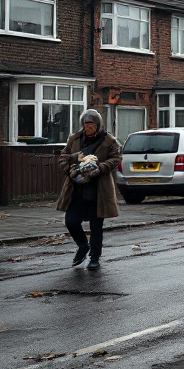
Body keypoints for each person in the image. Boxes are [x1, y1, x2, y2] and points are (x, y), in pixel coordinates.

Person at [56, 109, 122, 271]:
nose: (88, 127)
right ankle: (82, 246)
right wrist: (70, 169)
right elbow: (63, 157)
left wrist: (100, 168)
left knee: (96, 226)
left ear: (98, 124)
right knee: (71, 221)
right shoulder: (75, 139)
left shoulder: (108, 141)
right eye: (86, 124)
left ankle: (95, 258)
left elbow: (115, 159)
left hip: (98, 190)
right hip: (76, 189)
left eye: (91, 124)